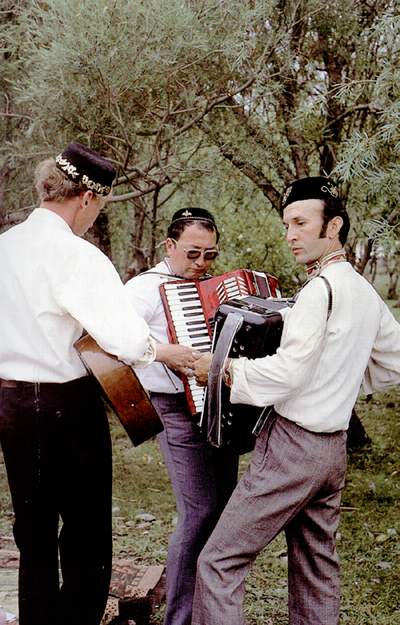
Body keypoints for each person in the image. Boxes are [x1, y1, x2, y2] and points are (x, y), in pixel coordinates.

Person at [0, 142, 196, 625]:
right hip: (66, 407)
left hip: (10, 404)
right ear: (87, 197)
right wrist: (169, 354)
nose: (94, 218)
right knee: (86, 537)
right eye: (99, 207)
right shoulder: (77, 255)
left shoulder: (6, 246)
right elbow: (125, 339)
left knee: (34, 536)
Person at [191, 176, 400, 625]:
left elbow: (286, 374)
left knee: (219, 561)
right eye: (287, 224)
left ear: (334, 226)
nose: (290, 235)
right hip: (333, 450)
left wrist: (222, 369)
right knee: (316, 570)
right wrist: (338, 381)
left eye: (301, 223)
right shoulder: (362, 290)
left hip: (292, 449)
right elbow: (395, 361)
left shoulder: (318, 292)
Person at [124, 208, 239, 625]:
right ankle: (180, 618)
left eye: (210, 255)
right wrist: (161, 354)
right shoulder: (143, 289)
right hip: (172, 408)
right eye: (193, 253)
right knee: (199, 509)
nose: (202, 264)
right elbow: (110, 342)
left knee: (223, 506)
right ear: (169, 246)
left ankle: (210, 611)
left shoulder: (211, 286)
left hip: (216, 405)